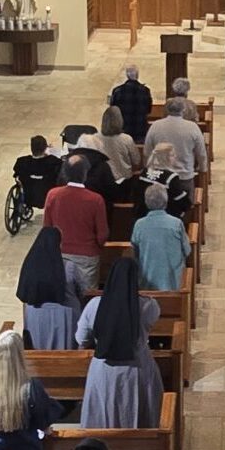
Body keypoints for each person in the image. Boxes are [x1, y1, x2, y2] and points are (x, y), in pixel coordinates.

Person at [75, 258, 164, 428]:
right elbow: (151, 323)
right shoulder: (148, 306)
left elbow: (81, 338)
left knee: (103, 414)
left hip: (103, 370)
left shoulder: (94, 305)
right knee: (136, 413)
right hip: (137, 369)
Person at [42, 152, 108, 299]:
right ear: (85, 173)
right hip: (87, 257)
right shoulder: (95, 199)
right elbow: (102, 234)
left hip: (60, 254)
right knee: (86, 298)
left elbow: (47, 227)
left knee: (63, 296)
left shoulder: (53, 195)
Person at [16, 225, 81, 350]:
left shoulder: (30, 266)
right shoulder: (69, 267)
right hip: (65, 315)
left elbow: (24, 293)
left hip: (36, 315)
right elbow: (81, 290)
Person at [130, 182, 191, 292]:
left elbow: (135, 252)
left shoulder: (139, 225)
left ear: (146, 202)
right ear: (166, 201)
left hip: (147, 285)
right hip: (174, 284)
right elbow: (187, 250)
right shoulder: (176, 224)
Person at [144, 97, 209, 181]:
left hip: (160, 176)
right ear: (183, 110)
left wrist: (148, 169)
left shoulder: (155, 126)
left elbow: (147, 152)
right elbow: (201, 153)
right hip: (184, 175)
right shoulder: (192, 127)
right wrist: (203, 169)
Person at [141, 141, 193, 220]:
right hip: (167, 216)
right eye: (172, 155)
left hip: (144, 216)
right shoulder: (171, 177)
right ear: (164, 158)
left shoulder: (144, 173)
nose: (175, 157)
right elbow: (183, 202)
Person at [93, 105, 141, 182]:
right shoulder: (126, 139)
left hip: (104, 182)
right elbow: (136, 161)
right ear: (120, 120)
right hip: (125, 181)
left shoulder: (95, 138)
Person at [13, 134, 62, 210]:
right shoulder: (53, 162)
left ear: (32, 148)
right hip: (48, 195)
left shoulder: (22, 162)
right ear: (45, 148)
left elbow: (16, 175)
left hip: (29, 196)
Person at [108, 64, 153, 144]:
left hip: (123, 131)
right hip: (140, 132)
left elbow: (113, 111)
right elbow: (149, 110)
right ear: (137, 75)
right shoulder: (145, 91)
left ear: (127, 75)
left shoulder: (117, 91)